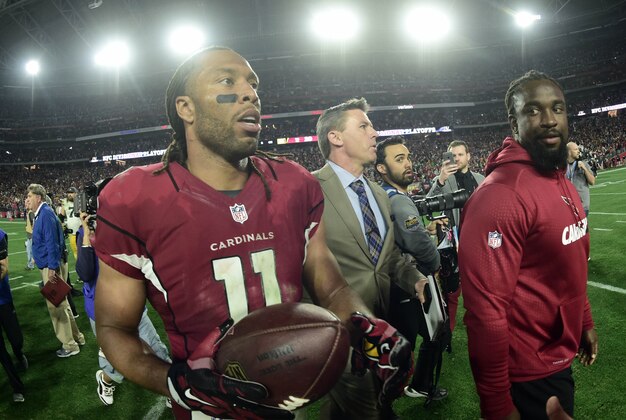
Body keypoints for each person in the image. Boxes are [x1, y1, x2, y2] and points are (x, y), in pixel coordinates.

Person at [93, 46, 412, 420]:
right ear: (186, 108)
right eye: (227, 81)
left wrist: (363, 323)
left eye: (253, 84)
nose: (250, 93)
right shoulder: (135, 198)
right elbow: (115, 327)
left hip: (292, 394)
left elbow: (330, 282)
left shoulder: (295, 184)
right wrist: (174, 383)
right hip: (209, 410)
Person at [458, 70, 598, 420]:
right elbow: (486, 312)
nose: (550, 120)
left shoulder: (556, 176)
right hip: (528, 373)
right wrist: (497, 403)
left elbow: (570, 261)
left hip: (556, 356)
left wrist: (584, 322)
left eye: (558, 108)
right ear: (514, 122)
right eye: (533, 110)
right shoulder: (501, 196)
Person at [313, 98, 428, 419]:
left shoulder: (377, 192)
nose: (374, 133)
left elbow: (387, 254)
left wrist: (412, 278)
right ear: (335, 137)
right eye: (363, 126)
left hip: (382, 320)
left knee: (363, 405)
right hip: (337, 328)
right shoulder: (309, 187)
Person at [375, 136, 448, 403]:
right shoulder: (397, 199)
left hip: (392, 283)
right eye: (399, 159)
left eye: (407, 157)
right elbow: (415, 240)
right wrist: (436, 264)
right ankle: (413, 389)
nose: (408, 163)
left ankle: (407, 388)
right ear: (382, 168)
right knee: (426, 336)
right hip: (408, 282)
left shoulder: (384, 194)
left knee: (404, 342)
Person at [75, 211, 171, 406]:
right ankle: (105, 378)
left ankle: (171, 390)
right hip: (102, 310)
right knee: (118, 361)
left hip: (131, 303)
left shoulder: (124, 230)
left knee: (156, 349)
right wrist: (86, 234)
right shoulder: (84, 233)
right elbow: (85, 273)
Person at [426, 140, 484, 332]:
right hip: (453, 241)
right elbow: (429, 202)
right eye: (453, 155)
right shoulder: (444, 180)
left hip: (478, 240)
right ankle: (448, 327)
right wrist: (441, 179)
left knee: (477, 284)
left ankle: (474, 317)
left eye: (460, 154)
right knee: (451, 287)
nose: (457, 158)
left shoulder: (481, 179)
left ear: (468, 156)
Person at [27, 184, 85, 358]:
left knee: (56, 307)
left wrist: (52, 267)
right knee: (63, 303)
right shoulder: (43, 213)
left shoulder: (44, 214)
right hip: (50, 263)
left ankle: (69, 345)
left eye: (29, 196)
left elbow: (52, 242)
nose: (26, 200)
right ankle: (77, 337)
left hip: (51, 267)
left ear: (38, 197)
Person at [0, 228, 26, 403]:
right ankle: (17, 386)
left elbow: (4, 268)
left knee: (15, 338)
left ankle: (18, 351)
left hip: (2, 299)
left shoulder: (0, 235)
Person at [566, 142, 596, 217]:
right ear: (569, 152)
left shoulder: (583, 164)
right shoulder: (562, 167)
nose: (578, 151)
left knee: (583, 228)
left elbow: (592, 181)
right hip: (568, 205)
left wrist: (585, 169)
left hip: (582, 205)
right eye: (575, 149)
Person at [24, 200, 35, 270]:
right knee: (29, 250)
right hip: (29, 235)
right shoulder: (29, 212)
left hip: (31, 235)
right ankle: (30, 264)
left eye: (27, 204)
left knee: (30, 251)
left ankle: (30, 265)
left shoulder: (31, 213)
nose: (25, 205)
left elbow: (34, 223)